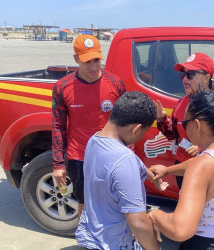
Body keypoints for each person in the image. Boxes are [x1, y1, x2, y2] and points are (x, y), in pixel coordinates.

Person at [149, 90, 214, 249]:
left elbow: (180, 230)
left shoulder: (202, 165)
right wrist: (168, 170)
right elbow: (200, 166)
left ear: (197, 124)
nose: (184, 129)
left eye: (185, 123)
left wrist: (154, 215)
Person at [76, 91, 168, 250]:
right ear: (136, 129)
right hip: (115, 244)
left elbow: (130, 167)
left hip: (92, 236)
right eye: (144, 132)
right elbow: (138, 222)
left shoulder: (95, 140)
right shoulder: (124, 160)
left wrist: (153, 177)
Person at [52, 34, 126, 218]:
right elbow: (58, 125)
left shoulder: (116, 83)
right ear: (76, 59)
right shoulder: (62, 86)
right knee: (84, 203)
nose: (94, 67)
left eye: (97, 60)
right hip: (80, 156)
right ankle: (86, 240)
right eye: (87, 62)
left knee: (114, 201)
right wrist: (58, 164)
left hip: (111, 155)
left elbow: (125, 120)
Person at [156, 52, 214, 189]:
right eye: (182, 74)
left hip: (211, 170)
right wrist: (161, 119)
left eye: (190, 74)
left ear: (207, 77)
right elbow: (172, 135)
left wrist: (203, 149)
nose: (185, 79)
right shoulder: (181, 103)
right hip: (183, 170)